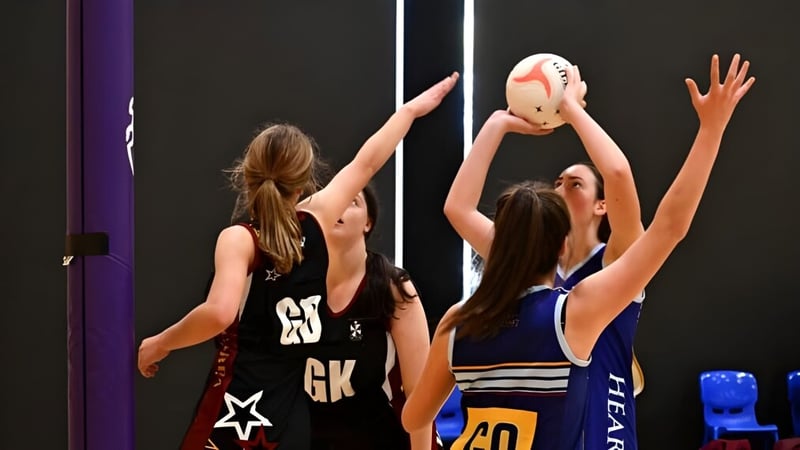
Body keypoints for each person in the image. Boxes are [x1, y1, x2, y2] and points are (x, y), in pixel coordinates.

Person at [402, 54, 754, 450]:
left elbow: (617, 178)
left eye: (575, 184)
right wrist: (570, 110)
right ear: (557, 240)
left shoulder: (608, 260)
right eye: (557, 183)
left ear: (603, 205)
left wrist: (507, 122)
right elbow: (663, 219)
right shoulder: (569, 302)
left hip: (604, 431)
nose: (560, 189)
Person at [137, 71, 459, 450]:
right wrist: (410, 111)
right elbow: (367, 163)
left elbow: (219, 313)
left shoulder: (241, 239)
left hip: (238, 407)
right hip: (289, 420)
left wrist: (161, 342)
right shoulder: (316, 221)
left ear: (246, 174)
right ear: (304, 180)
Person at [304, 183, 439, 450]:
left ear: (368, 222)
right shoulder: (294, 285)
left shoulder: (392, 287)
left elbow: (420, 393)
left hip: (387, 439)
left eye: (352, 201)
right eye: (332, 200)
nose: (338, 207)